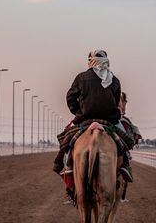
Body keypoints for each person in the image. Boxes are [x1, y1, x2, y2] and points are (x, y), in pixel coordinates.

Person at [53, 49, 132, 181]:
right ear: (105, 61)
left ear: (90, 62)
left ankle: (65, 164)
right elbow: (116, 100)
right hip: (109, 120)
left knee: (67, 137)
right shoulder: (114, 80)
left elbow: (70, 97)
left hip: (85, 119)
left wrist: (78, 111)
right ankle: (125, 164)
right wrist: (115, 112)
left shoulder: (81, 77)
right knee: (125, 138)